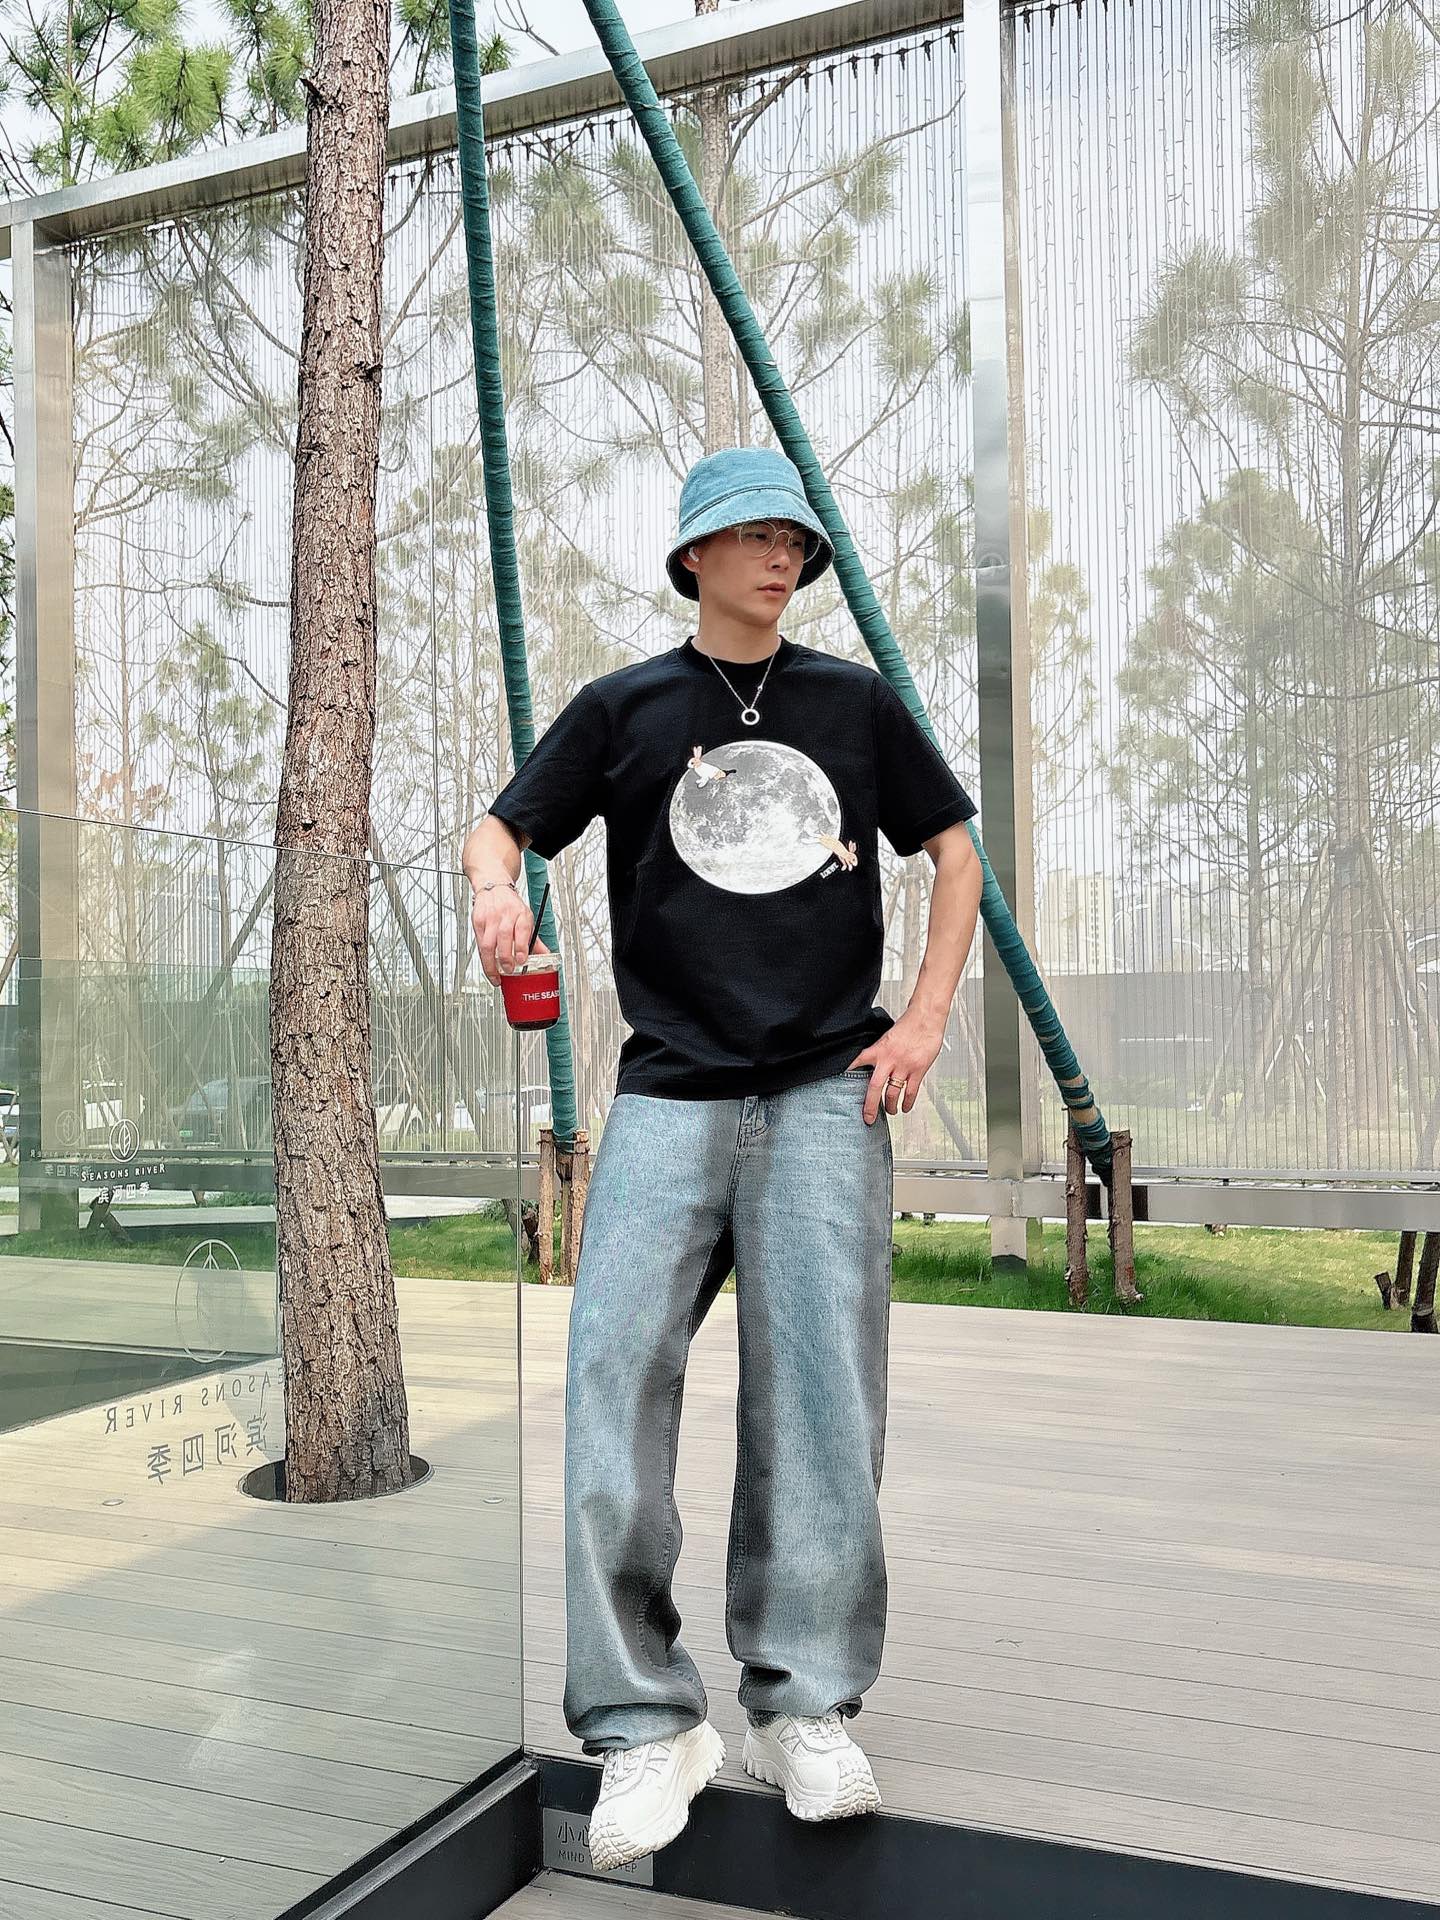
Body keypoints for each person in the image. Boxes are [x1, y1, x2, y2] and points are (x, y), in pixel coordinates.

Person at [462, 446, 983, 1873]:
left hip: (826, 1095)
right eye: (751, 536)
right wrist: (499, 893)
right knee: (609, 1386)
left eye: (794, 540)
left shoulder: (853, 705)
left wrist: (925, 1019)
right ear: (693, 554)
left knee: (821, 1405)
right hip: (670, 1095)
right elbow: (501, 829)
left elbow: (955, 854)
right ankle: (646, 1722)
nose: (779, 558)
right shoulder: (626, 708)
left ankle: (801, 1707)